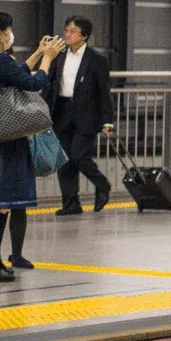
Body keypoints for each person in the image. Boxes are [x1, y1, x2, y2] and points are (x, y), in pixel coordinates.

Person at [0, 11, 66, 282]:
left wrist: (36, 54)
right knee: (0, 205)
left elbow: (17, 73)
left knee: (0, 205)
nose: (11, 34)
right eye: (9, 29)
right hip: (4, 144)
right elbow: (34, 82)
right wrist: (48, 59)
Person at [46, 15, 115, 214]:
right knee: (64, 160)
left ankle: (102, 184)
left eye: (73, 31)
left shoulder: (97, 60)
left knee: (79, 155)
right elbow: (50, 84)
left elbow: (104, 92)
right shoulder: (59, 56)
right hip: (62, 111)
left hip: (87, 114)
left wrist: (108, 120)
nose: (67, 34)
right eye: (66, 30)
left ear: (84, 36)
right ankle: (71, 203)